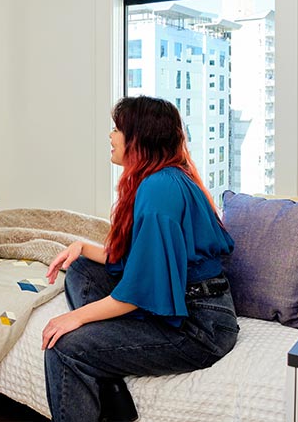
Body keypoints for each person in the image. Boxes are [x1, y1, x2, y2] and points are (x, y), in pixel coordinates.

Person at [42, 96, 238, 422]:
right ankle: (110, 382)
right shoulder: (164, 178)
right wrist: (80, 246)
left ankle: (96, 361)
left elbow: (140, 289)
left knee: (64, 346)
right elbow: (141, 259)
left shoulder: (159, 189)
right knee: (82, 270)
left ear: (140, 138)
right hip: (192, 305)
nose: (110, 136)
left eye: (118, 129)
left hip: (199, 328)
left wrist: (75, 319)